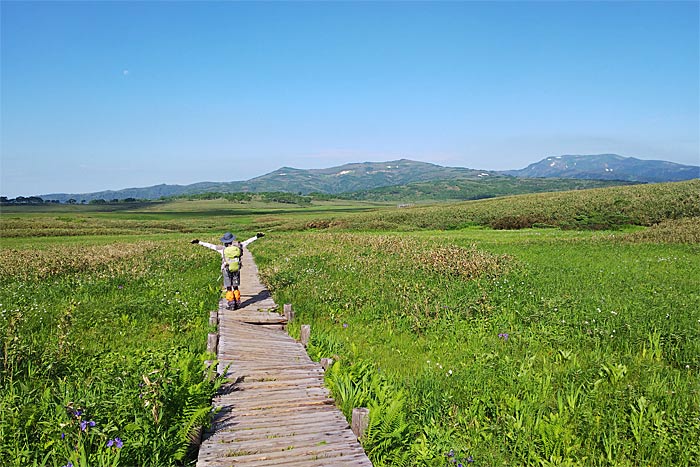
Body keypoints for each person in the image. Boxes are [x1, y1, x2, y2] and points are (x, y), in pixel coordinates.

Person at [191, 232, 264, 310]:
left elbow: (210, 246)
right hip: (236, 269)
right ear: (232, 240)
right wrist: (256, 237)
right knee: (235, 287)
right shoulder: (239, 246)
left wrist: (199, 242)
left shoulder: (222, 249)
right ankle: (237, 302)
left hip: (227, 269)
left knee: (229, 287)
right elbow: (247, 241)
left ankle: (231, 304)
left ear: (224, 241)